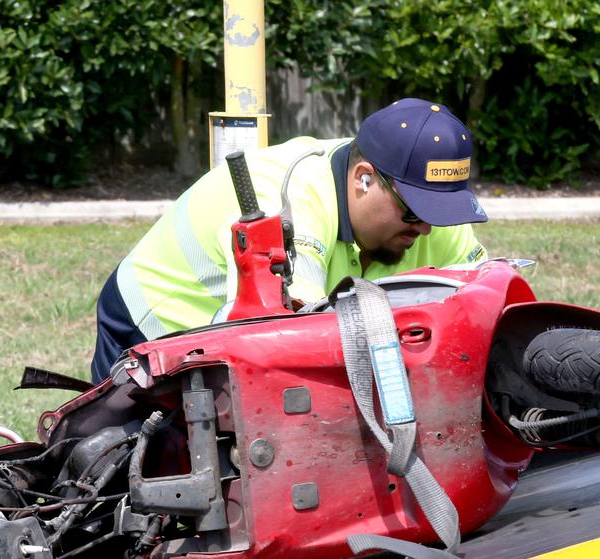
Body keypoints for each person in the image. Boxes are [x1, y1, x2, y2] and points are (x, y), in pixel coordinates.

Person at [90, 98, 489, 383]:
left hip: (229, 342)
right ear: (363, 180)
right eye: (416, 212)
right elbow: (295, 338)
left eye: (440, 213)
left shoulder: (417, 205)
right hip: (153, 329)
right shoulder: (289, 199)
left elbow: (482, 304)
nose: (427, 230)